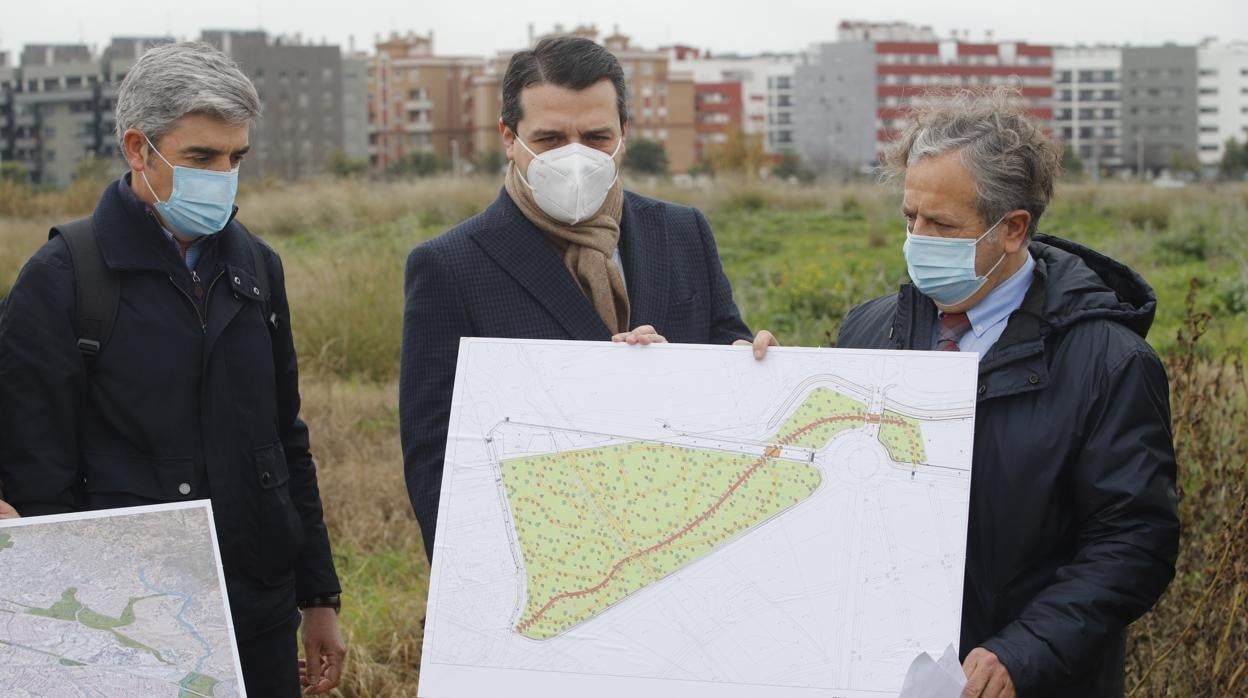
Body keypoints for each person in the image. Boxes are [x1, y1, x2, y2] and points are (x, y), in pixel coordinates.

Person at [0, 42, 345, 696]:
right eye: (200, 158)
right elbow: (36, 476)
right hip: (127, 624)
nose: (222, 175)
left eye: (235, 157)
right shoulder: (63, 278)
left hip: (258, 614)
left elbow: (285, 440)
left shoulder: (257, 268)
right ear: (138, 149)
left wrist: (318, 598)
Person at [833, 90, 1179, 696]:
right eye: (910, 218)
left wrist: (1024, 650)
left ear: (1013, 228)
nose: (917, 241)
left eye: (941, 225)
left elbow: (1133, 542)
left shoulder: (1110, 364)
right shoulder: (869, 332)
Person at [400, 35, 774, 558]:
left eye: (596, 137)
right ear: (509, 137)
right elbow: (435, 459)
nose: (575, 158)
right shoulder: (450, 267)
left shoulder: (683, 233)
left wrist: (749, 370)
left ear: (625, 133)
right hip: (552, 561)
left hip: (685, 546)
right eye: (551, 139)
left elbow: (725, 352)